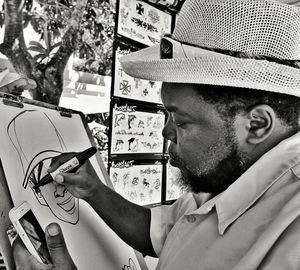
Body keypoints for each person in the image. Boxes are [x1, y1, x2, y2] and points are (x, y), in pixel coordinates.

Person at [13, 0, 300, 269]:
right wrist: (93, 189)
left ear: (257, 124)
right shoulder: (229, 176)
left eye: (181, 121)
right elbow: (160, 232)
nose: (166, 132)